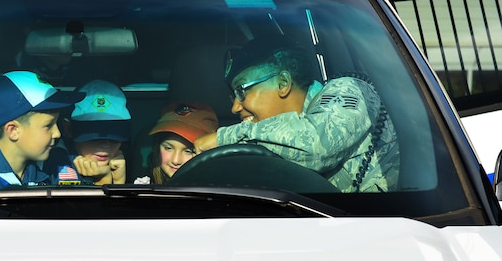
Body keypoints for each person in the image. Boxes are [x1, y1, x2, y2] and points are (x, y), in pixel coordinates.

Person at [194, 34, 400, 193]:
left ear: (283, 83)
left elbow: (319, 145)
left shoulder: (347, 90)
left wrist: (223, 137)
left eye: (241, 91)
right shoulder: (276, 140)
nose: (235, 108)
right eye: (233, 97)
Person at [56, 79, 131, 185]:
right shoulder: (55, 165)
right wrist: (103, 180)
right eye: (94, 137)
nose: (105, 144)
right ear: (68, 129)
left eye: (114, 137)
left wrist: (119, 182)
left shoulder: (129, 162)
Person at [134, 101, 219, 184]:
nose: (176, 160)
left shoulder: (219, 187)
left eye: (189, 151)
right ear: (157, 147)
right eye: (168, 148)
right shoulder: (146, 185)